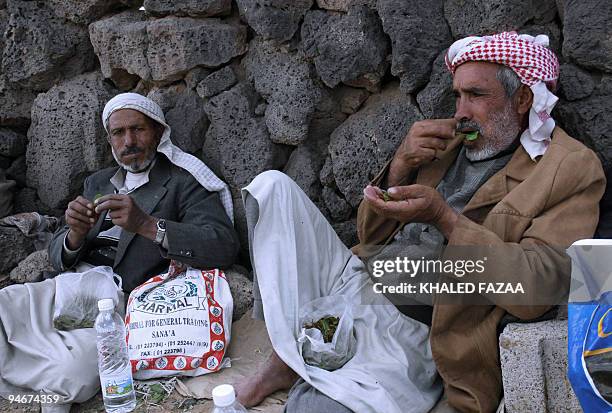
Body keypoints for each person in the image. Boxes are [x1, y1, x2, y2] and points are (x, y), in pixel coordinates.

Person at [235, 32, 606, 413]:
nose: (461, 111)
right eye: (458, 95)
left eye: (476, 96)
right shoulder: (446, 142)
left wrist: (446, 219)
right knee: (269, 190)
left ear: (523, 99)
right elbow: (369, 235)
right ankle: (283, 358)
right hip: (359, 278)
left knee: (315, 408)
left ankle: (308, 365)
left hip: (418, 323)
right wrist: (401, 165)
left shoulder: (569, 168)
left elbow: (536, 289)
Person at [0, 93, 239, 412]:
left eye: (137, 129)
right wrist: (75, 233)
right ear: (110, 139)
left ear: (157, 132)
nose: (129, 141)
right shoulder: (99, 181)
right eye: (118, 133)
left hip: (122, 301)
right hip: (69, 286)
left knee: (71, 372)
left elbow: (222, 243)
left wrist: (148, 225)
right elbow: (59, 254)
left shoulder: (183, 182)